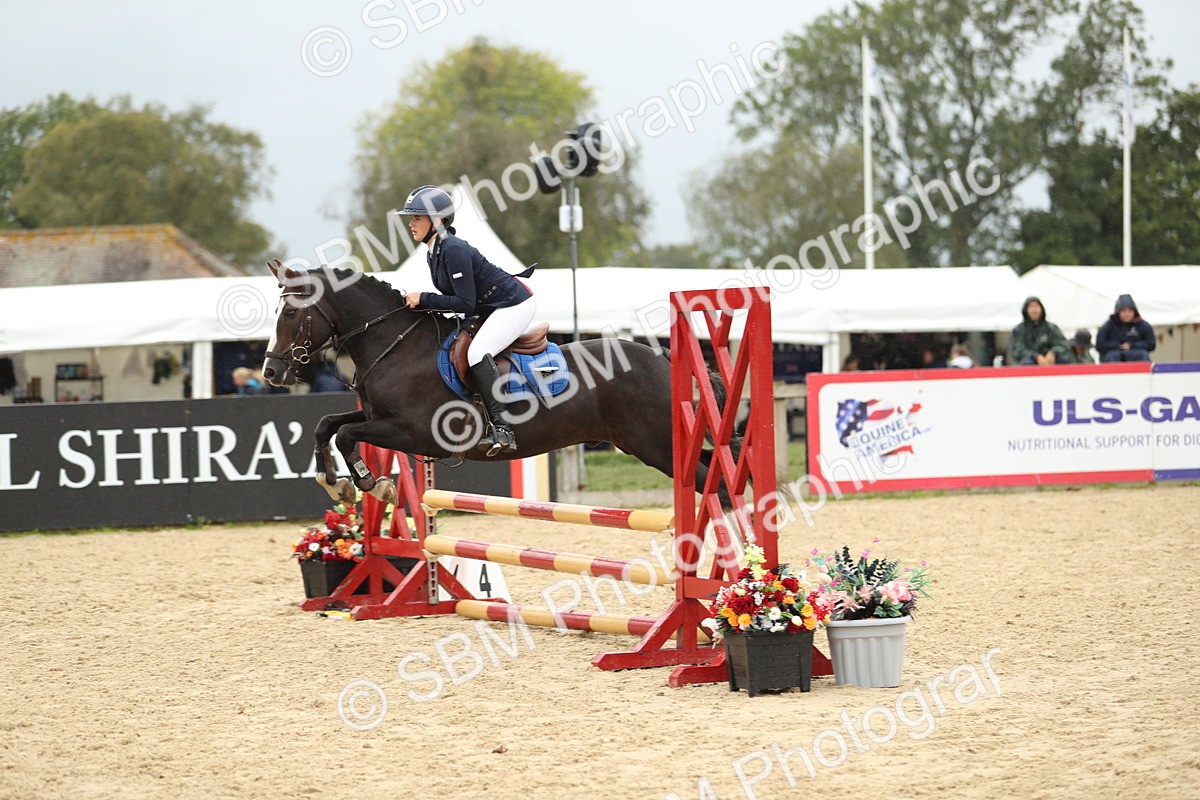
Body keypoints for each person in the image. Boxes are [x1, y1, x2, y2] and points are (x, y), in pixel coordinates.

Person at [396, 185, 536, 456]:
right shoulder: (434, 250)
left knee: (476, 354)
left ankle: (503, 428)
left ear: (436, 220)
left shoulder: (453, 249)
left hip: (513, 305)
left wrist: (424, 298)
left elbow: (464, 303)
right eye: (411, 218)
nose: (411, 224)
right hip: (489, 308)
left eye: (416, 218)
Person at [1008, 296, 1071, 366]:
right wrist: (1036, 356)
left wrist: (1053, 353)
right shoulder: (1019, 330)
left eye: (1036, 306)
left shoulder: (1051, 328)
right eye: (1031, 307)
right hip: (1029, 362)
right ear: (1026, 310)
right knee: (1026, 363)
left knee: (1063, 360)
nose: (1034, 310)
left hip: (1051, 361)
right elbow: (1018, 350)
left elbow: (1063, 344)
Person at [1096, 294, 1155, 362]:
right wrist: (1118, 346)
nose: (1127, 314)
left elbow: (1151, 344)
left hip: (1137, 358)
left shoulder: (1143, 325)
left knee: (1143, 354)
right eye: (1124, 311)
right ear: (1118, 312)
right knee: (1112, 356)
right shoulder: (1108, 325)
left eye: (1130, 311)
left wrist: (1132, 345)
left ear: (1134, 312)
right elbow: (1099, 345)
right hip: (1113, 359)